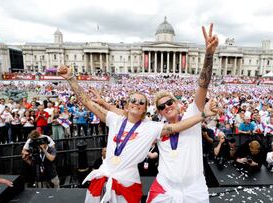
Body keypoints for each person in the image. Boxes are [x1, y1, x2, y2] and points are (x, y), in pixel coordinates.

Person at [58, 65, 218, 203]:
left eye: (142, 102)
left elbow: (178, 126)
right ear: (127, 105)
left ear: (145, 110)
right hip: (106, 177)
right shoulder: (114, 119)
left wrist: (203, 115)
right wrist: (71, 78)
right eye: (133, 100)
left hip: (130, 183)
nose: (137, 103)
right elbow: (87, 102)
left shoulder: (152, 128)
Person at [147, 23, 219, 203]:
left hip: (194, 190)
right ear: (159, 112)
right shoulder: (157, 129)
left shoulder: (192, 116)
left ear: (178, 104)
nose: (167, 107)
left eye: (170, 102)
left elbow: (203, 84)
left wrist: (209, 55)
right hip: (164, 188)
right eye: (162, 106)